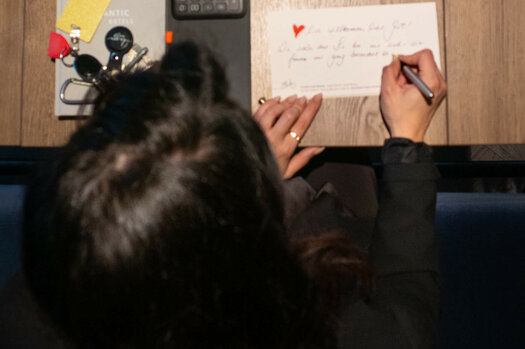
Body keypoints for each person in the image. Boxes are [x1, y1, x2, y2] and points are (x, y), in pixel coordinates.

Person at [1, 41, 446, 348]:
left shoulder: (32, 304)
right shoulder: (307, 320)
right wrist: (407, 146)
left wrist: (244, 178)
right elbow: (408, 327)